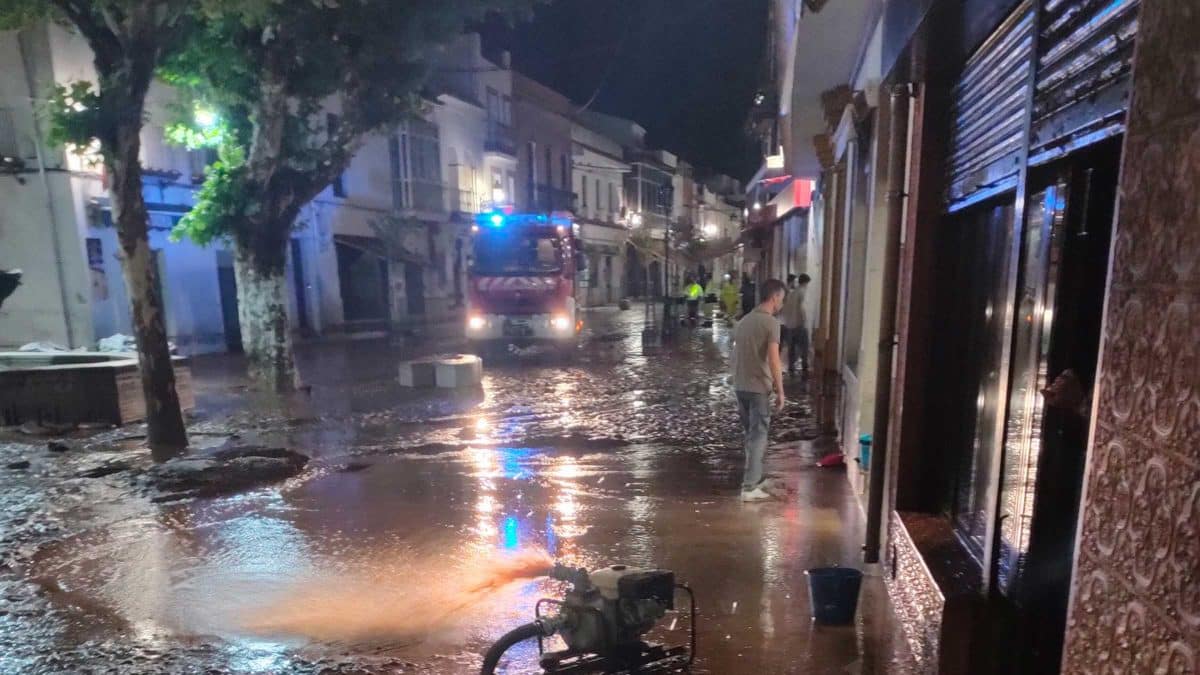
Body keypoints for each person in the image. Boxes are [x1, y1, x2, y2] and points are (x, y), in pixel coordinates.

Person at [731, 278, 788, 502]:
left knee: (751, 435)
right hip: (758, 389)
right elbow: (774, 360)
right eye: (781, 299)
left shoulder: (744, 321)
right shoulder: (771, 323)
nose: (782, 303)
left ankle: (755, 477)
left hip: (740, 386)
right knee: (759, 436)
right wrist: (780, 390)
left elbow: (734, 356)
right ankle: (749, 487)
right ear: (774, 297)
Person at [779, 273, 811, 374]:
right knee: (804, 346)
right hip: (799, 324)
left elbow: (784, 309)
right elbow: (802, 308)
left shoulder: (791, 294)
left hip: (789, 324)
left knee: (791, 347)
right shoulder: (802, 292)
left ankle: (791, 366)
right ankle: (805, 365)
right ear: (805, 282)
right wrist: (804, 320)